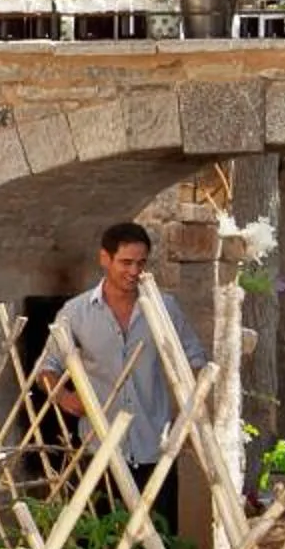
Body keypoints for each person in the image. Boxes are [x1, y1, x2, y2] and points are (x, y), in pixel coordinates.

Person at [32, 221, 210, 532]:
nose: (134, 271)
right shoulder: (76, 312)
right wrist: (63, 396)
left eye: (141, 263)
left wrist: (184, 412)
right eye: (126, 262)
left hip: (155, 449)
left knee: (158, 545)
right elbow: (45, 368)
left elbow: (195, 361)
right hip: (98, 449)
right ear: (105, 258)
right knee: (99, 545)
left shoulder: (164, 308)